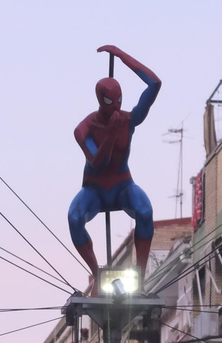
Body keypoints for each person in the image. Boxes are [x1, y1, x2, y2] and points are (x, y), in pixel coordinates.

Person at [68, 45, 161, 290]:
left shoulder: (127, 120)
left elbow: (154, 84)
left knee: (145, 210)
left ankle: (139, 280)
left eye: (120, 99)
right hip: (95, 189)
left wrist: (122, 56)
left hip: (122, 185)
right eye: (112, 101)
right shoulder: (84, 129)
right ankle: (96, 273)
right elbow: (97, 162)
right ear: (101, 100)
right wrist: (110, 133)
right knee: (74, 217)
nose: (117, 106)